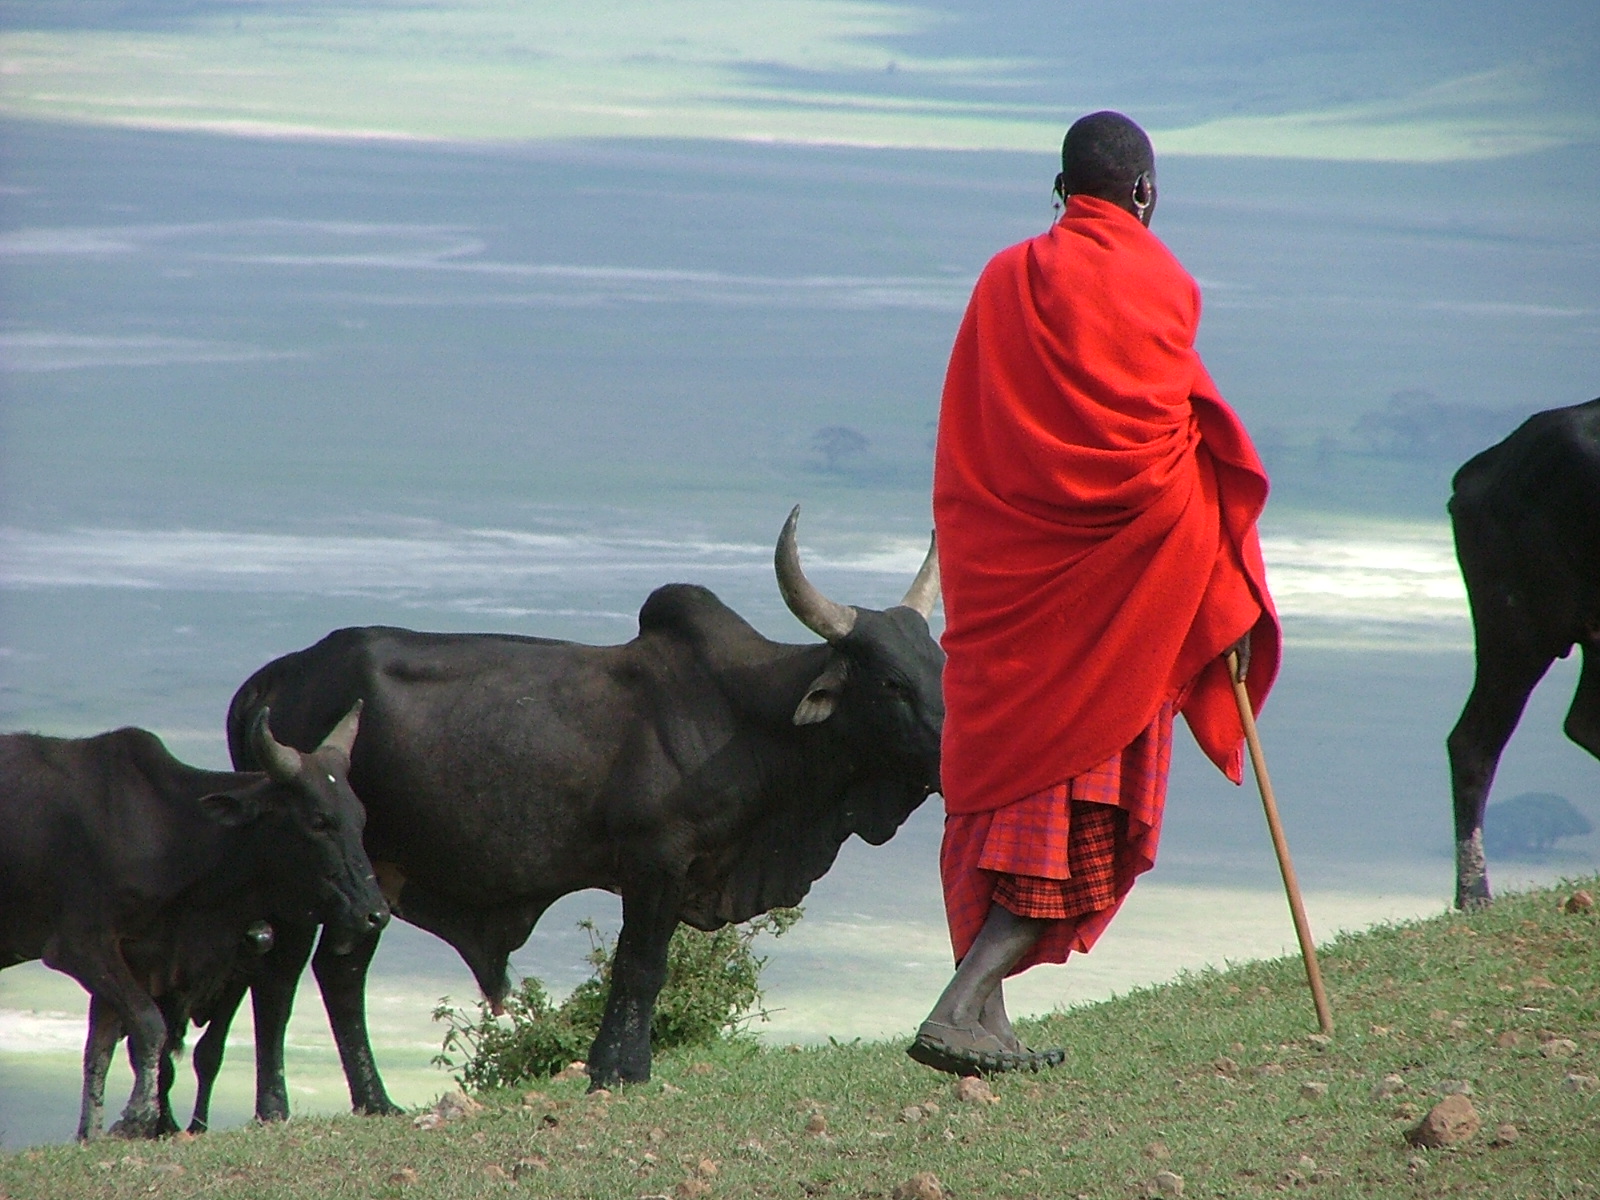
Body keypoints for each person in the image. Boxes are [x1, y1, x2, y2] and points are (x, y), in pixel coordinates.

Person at [910, 111, 1281, 1075]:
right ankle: (956, 1010)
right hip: (1122, 611)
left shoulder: (1000, 281)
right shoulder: (1164, 283)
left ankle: (987, 1025)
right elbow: (1188, 462)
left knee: (1010, 817)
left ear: (1060, 187)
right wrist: (1224, 596)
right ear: (1144, 194)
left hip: (1008, 600)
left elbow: (969, 443)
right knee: (1068, 825)